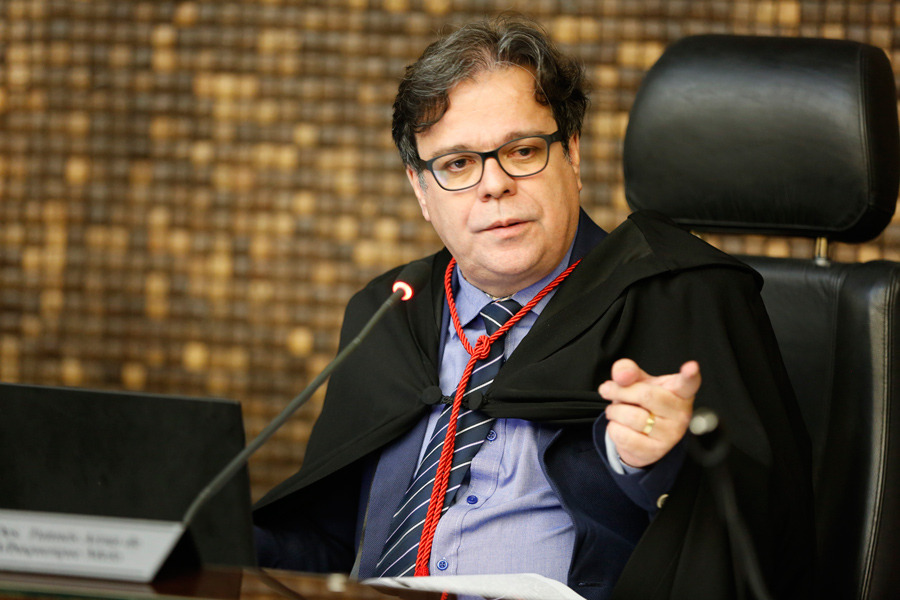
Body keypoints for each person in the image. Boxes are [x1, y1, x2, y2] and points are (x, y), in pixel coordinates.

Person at [253, 16, 813, 600]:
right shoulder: (388, 311)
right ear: (421, 190)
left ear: (572, 154)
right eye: (457, 164)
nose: (493, 184)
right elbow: (328, 541)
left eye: (521, 151)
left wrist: (655, 464)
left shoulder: (676, 293)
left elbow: (759, 530)